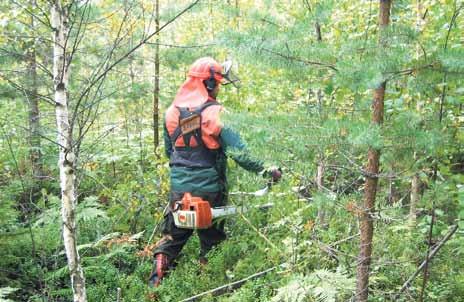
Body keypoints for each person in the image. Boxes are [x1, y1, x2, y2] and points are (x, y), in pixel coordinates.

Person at [149, 57, 281, 287]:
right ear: (209, 84)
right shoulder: (215, 114)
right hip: (210, 190)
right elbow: (241, 155)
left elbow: (171, 152)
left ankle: (156, 283)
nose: (219, 88)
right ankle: (209, 286)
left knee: (172, 238)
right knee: (212, 241)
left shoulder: (171, 113)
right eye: (218, 83)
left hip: (179, 190)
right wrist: (268, 171)